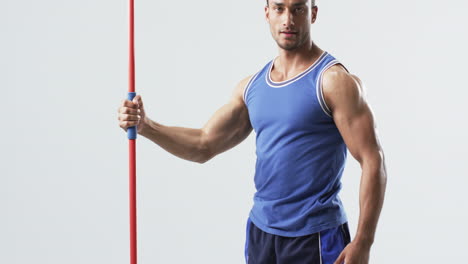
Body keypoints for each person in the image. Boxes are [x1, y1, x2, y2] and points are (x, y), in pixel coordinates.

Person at [118, 0, 387, 263]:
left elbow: (372, 160)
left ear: (312, 14)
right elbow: (203, 144)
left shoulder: (333, 82)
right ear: (267, 12)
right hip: (262, 234)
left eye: (298, 9)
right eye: (280, 8)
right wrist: (146, 126)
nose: (288, 19)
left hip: (315, 237)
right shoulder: (252, 87)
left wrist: (363, 242)